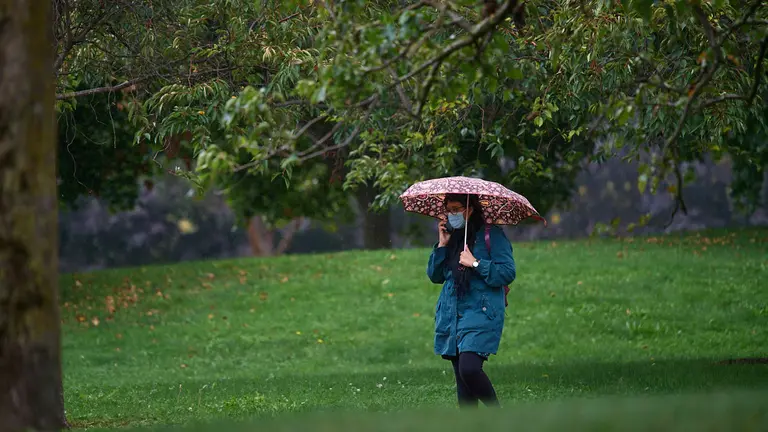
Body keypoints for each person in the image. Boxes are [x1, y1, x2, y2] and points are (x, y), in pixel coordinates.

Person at [426, 193, 516, 408]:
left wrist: (475, 263)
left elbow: (506, 272)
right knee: (462, 379)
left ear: (470, 208)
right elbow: (435, 276)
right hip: (452, 311)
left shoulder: (491, 235)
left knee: (470, 368)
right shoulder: (452, 237)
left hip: (481, 310)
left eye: (456, 208)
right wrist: (442, 245)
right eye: (448, 209)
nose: (451, 214)